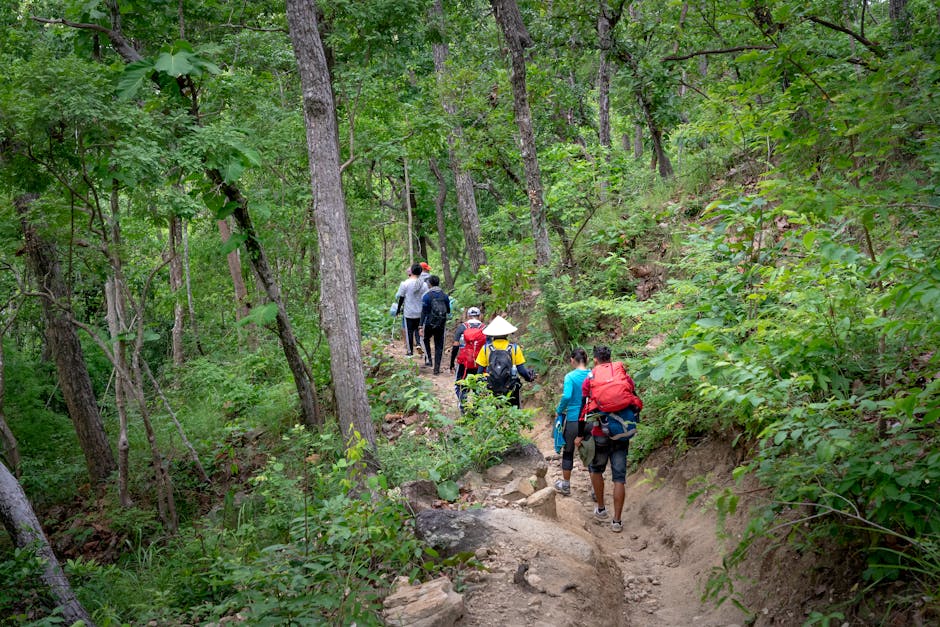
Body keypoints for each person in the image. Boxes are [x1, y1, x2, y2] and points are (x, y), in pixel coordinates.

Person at [580, 345, 643, 532]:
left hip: (600, 433)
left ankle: (601, 509)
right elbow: (632, 396)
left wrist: (580, 434)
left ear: (595, 360)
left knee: (597, 470)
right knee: (619, 478)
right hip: (621, 432)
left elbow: (585, 406)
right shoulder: (622, 375)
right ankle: (617, 521)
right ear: (610, 358)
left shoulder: (590, 377)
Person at [475, 315, 535, 408]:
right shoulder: (514, 348)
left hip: (491, 387)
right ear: (507, 334)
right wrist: (529, 377)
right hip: (511, 386)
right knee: (514, 412)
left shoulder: (486, 348)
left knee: (493, 412)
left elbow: (479, 372)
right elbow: (521, 370)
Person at [553, 347, 590, 496]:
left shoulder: (570, 376)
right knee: (593, 454)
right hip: (592, 418)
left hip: (574, 419)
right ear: (586, 360)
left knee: (568, 452)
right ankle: (595, 490)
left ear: (572, 361)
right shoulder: (593, 375)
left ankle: (566, 485)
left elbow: (567, 396)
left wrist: (559, 409)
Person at [450, 306, 486, 408]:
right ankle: (477, 408)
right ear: (479, 316)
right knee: (479, 386)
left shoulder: (462, 327)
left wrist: (452, 362)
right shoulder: (485, 328)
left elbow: (456, 345)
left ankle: (464, 406)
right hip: (480, 363)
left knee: (460, 385)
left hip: (464, 362)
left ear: (468, 315)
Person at [395, 263, 428, 356]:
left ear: (412, 271)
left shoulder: (405, 284)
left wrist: (398, 309)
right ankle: (418, 344)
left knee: (409, 331)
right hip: (420, 312)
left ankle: (410, 352)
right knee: (419, 329)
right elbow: (425, 298)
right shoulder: (424, 285)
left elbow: (401, 297)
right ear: (420, 272)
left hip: (408, 312)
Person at [420, 275, 450, 374]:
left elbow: (424, 312)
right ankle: (436, 369)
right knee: (439, 346)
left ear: (430, 284)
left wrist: (420, 325)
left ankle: (429, 359)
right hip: (441, 324)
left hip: (429, 323)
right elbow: (448, 310)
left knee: (425, 339)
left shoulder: (426, 296)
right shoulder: (445, 296)